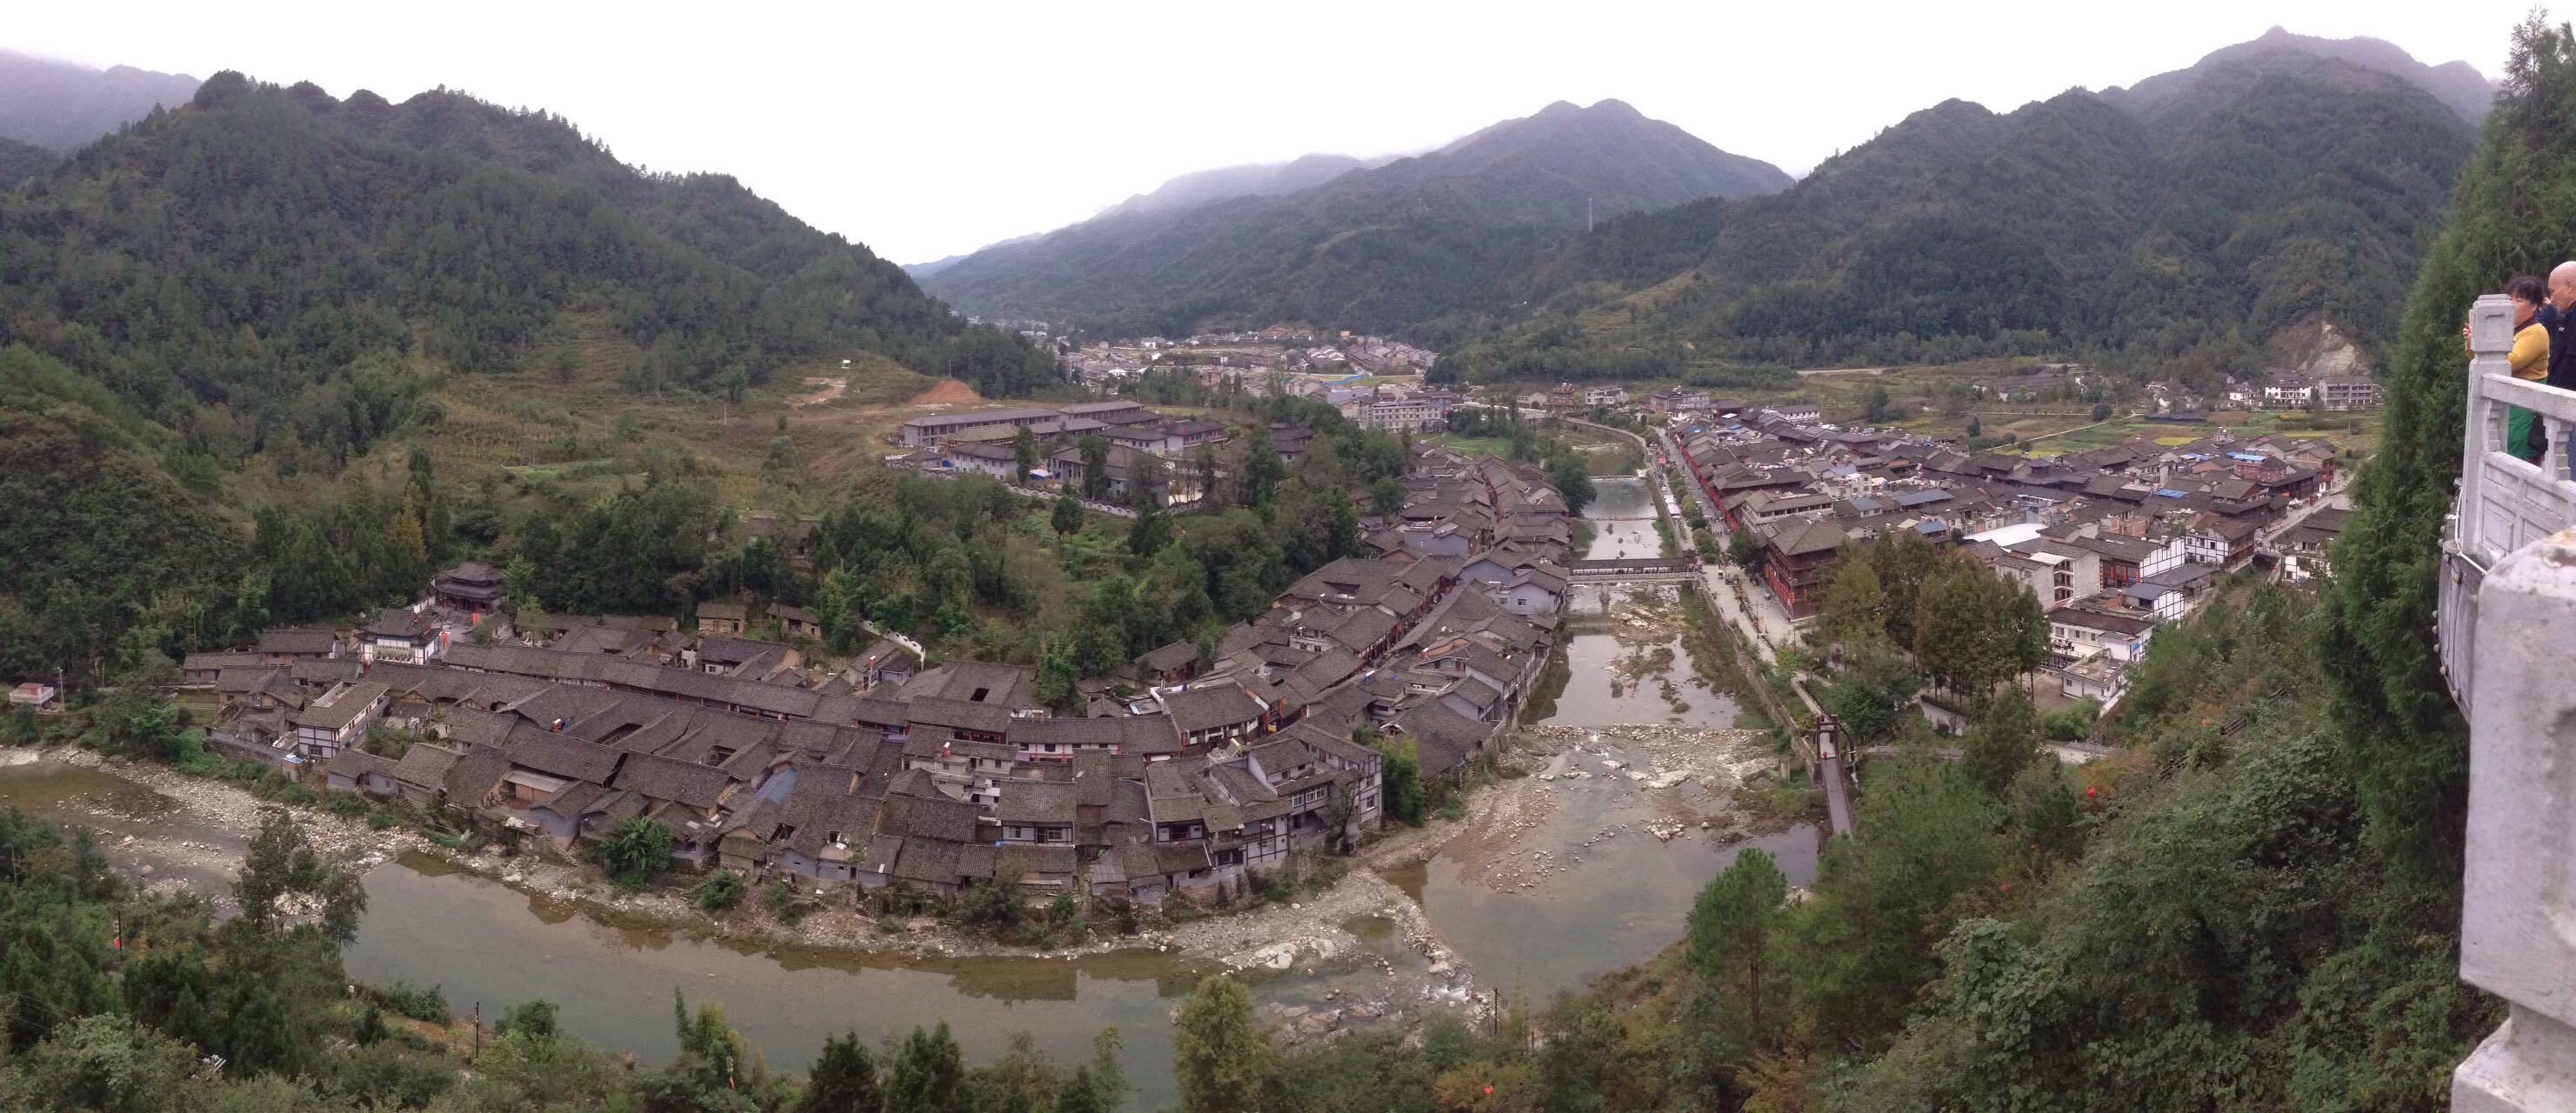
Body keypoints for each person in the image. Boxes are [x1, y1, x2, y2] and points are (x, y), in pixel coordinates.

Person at [2466, 276, 2551, 463]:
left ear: (2534, 306)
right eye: (2510, 298)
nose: (2512, 304)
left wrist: (2481, 339)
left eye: (2519, 300)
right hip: (2506, 404)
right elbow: (2480, 359)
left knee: (2515, 456)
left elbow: (2509, 362)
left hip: (2524, 409)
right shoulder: (2509, 329)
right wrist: (2472, 340)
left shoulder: (2536, 332)